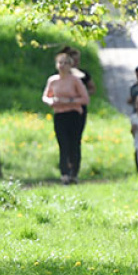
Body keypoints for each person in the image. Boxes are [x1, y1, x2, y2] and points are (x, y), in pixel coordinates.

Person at [43, 52, 90, 185]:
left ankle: (74, 173)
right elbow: (45, 96)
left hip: (73, 114)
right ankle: (64, 173)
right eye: (60, 63)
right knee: (62, 144)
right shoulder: (53, 80)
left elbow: (85, 99)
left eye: (66, 63)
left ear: (71, 65)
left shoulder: (75, 81)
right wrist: (51, 101)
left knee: (74, 143)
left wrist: (69, 100)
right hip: (59, 115)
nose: (63, 66)